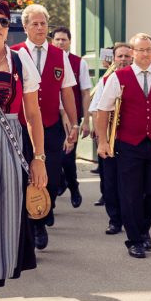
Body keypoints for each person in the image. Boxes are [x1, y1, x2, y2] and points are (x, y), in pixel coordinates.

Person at [96, 33, 151, 259]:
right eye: (141, 50)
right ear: (133, 52)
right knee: (130, 195)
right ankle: (135, 240)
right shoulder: (119, 77)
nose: (145, 54)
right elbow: (103, 110)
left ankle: (142, 228)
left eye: (149, 50)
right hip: (128, 145)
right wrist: (104, 141)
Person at [0, 0, 47, 301]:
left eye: (2, 21)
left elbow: (34, 113)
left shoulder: (19, 61)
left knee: (2, 218)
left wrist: (38, 157)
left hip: (7, 144)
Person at [11, 4, 78, 250]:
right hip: (19, 126)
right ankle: (28, 229)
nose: (40, 28)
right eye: (35, 24)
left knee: (48, 176)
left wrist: (74, 123)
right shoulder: (14, 53)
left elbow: (67, 91)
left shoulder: (60, 56)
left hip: (50, 127)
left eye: (43, 24)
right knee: (21, 178)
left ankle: (40, 220)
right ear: (26, 27)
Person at [89, 42, 132, 234]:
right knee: (111, 181)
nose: (123, 60)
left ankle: (132, 218)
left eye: (126, 56)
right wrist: (102, 137)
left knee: (132, 183)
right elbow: (96, 109)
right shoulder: (106, 80)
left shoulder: (142, 79)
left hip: (133, 139)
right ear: (114, 59)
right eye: (119, 56)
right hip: (111, 139)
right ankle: (115, 219)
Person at [52, 26, 92, 209]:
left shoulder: (79, 63)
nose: (60, 43)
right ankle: (56, 188)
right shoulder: (48, 60)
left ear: (69, 42)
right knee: (53, 158)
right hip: (51, 118)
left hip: (71, 118)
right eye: (57, 39)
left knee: (67, 159)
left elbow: (85, 93)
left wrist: (85, 121)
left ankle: (74, 187)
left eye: (64, 40)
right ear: (52, 41)